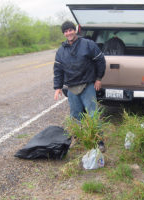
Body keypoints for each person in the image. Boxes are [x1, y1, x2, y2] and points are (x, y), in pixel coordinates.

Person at [53, 21, 106, 151]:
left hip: (87, 85)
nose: (68, 33)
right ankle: (78, 138)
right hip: (71, 88)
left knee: (93, 113)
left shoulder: (88, 44)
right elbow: (58, 70)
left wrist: (98, 78)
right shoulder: (61, 51)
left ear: (75, 30)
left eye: (70, 30)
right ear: (64, 33)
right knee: (75, 115)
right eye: (65, 31)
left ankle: (99, 141)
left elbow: (100, 60)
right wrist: (57, 87)